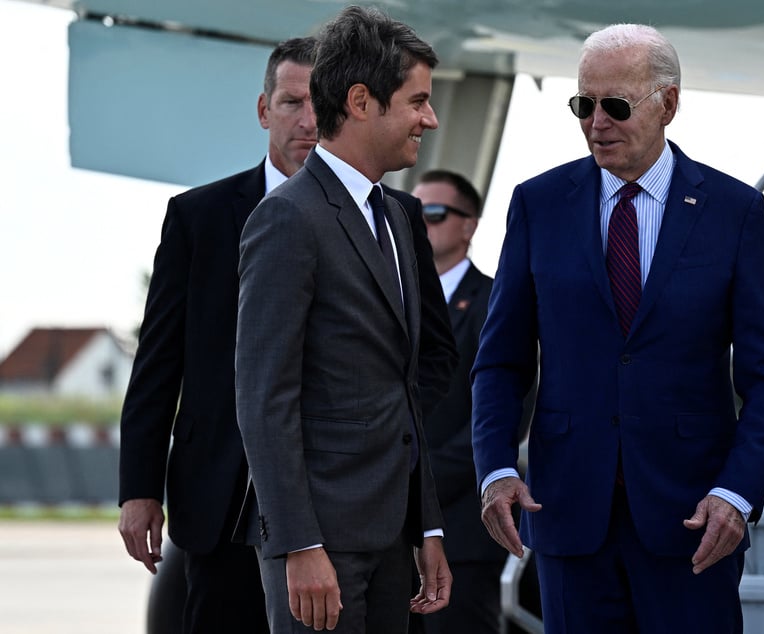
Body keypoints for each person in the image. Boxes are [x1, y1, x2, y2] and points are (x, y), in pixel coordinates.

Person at [118, 33, 456, 633]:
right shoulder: (213, 216)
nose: (307, 120)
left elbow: (420, 367)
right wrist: (140, 486)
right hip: (224, 499)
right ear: (263, 109)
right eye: (292, 103)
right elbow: (163, 364)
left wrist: (394, 479)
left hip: (363, 512)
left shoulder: (396, 217)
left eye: (313, 102)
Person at [472, 23, 764, 633]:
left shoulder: (734, 212)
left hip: (694, 523)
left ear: (668, 103)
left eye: (616, 105)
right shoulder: (537, 204)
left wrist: (737, 494)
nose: (598, 122)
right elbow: (500, 362)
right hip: (569, 515)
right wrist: (495, 468)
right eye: (583, 105)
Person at [234, 6, 455, 633]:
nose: (429, 118)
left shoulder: (395, 215)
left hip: (389, 539)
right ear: (361, 101)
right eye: (416, 101)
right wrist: (298, 545)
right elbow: (263, 396)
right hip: (319, 547)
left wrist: (427, 524)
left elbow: (404, 386)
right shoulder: (287, 220)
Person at [408, 170, 529, 634]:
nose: (420, 224)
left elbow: (506, 407)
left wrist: (413, 479)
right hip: (382, 531)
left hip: (460, 527)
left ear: (469, 226)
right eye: (410, 213)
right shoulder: (385, 297)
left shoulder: (499, 300)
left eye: (433, 214)